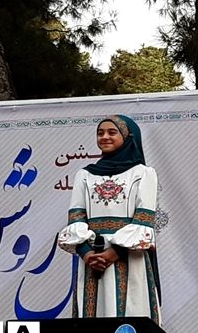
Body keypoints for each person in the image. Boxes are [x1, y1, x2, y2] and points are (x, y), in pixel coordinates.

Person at [58, 115, 161, 321]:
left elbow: (143, 221)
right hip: (92, 261)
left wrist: (112, 254)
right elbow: (76, 219)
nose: (104, 137)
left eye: (112, 132)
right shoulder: (85, 175)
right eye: (100, 133)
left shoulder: (143, 174)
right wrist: (87, 255)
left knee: (130, 318)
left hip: (129, 258)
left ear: (128, 137)